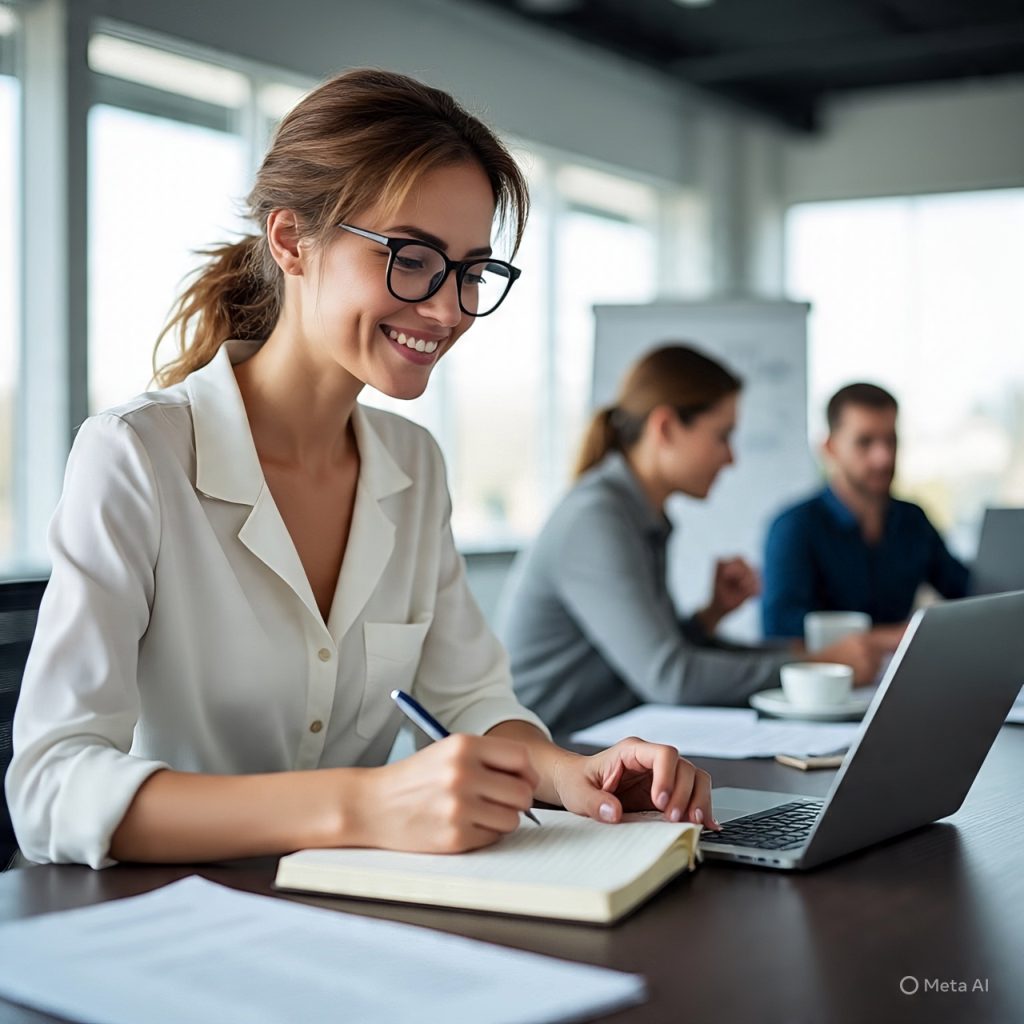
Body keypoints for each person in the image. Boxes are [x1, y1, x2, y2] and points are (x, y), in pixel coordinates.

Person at [6, 69, 717, 869]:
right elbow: (50, 786)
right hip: (162, 924)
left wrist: (568, 773)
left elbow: (470, 698)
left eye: (472, 271)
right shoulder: (138, 454)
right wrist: (365, 803)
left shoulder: (413, 464)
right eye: (413, 258)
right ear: (289, 240)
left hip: (349, 909)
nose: (448, 309)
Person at [498, 345, 881, 736]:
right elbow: (671, 678)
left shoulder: (639, 514)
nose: (730, 458)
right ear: (664, 427)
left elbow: (663, 655)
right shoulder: (596, 519)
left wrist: (710, 619)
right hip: (551, 756)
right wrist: (812, 667)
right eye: (722, 436)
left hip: (603, 740)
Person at [761, 382, 970, 640]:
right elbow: (780, 632)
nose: (883, 457)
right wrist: (893, 638)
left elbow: (967, 590)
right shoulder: (794, 527)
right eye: (865, 442)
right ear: (830, 448)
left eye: (890, 440)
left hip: (903, 675)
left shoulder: (912, 520)